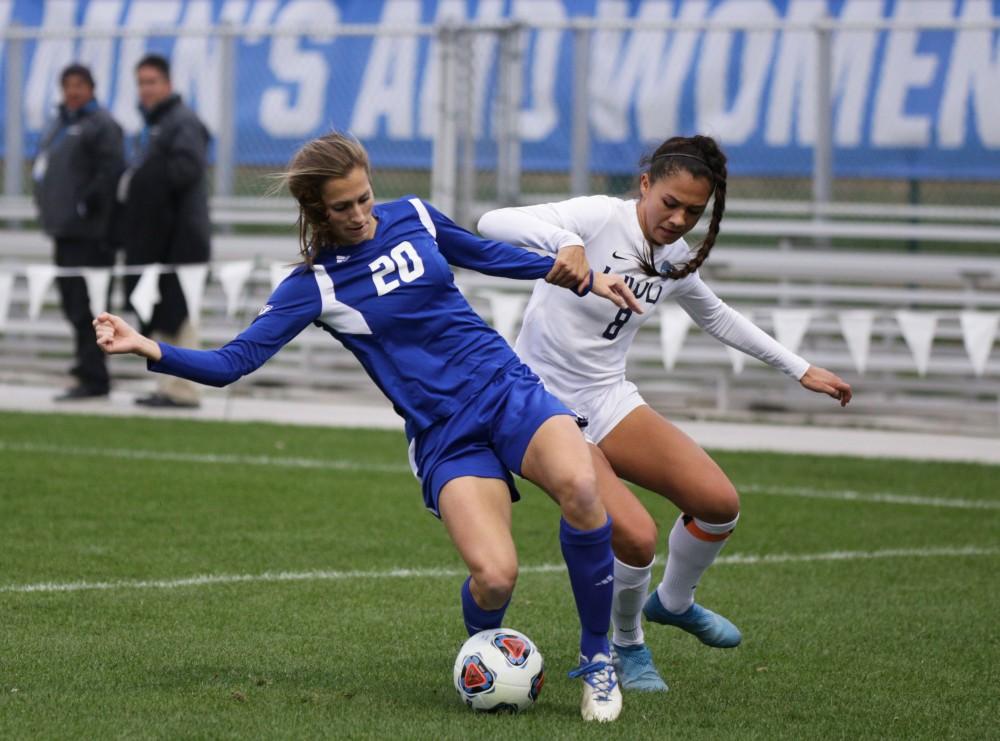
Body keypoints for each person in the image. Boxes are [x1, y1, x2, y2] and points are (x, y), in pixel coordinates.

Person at [94, 133, 645, 722]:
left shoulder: (412, 215)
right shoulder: (314, 286)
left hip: (506, 386)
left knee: (582, 488)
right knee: (494, 577)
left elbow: (482, 254)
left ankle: (597, 658)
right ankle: (484, 653)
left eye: (363, 198)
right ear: (316, 211)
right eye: (342, 207)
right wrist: (149, 347)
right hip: (444, 432)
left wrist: (582, 278)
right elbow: (234, 363)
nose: (360, 215)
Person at [477, 134, 853, 692]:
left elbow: (719, 317)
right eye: (670, 203)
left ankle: (674, 603)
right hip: (544, 404)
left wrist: (799, 369)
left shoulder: (674, 258)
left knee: (719, 505)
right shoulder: (598, 217)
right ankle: (627, 645)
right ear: (646, 184)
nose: (679, 219)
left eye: (694, 212)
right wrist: (565, 243)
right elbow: (491, 222)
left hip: (609, 398)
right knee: (634, 535)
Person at [116, 53, 211, 408]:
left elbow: (185, 170)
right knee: (160, 315)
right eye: (141, 83)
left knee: (179, 316)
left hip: (182, 239)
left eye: (152, 81)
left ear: (168, 84)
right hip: (159, 239)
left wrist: (143, 181)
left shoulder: (181, 122)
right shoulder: (155, 125)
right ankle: (167, 387)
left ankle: (184, 390)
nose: (146, 89)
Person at [33, 63, 124, 400]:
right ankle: (86, 367)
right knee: (72, 305)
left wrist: (88, 207)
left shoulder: (102, 125)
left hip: (91, 236)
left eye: (79, 85)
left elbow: (110, 173)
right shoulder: (59, 125)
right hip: (63, 232)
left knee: (91, 308)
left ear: (91, 88)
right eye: (67, 84)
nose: (73, 91)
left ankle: (95, 376)